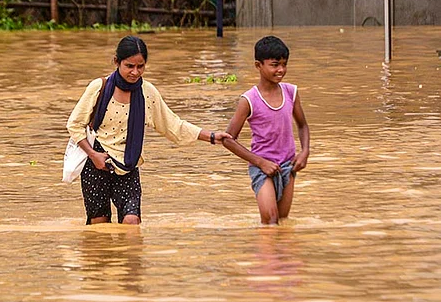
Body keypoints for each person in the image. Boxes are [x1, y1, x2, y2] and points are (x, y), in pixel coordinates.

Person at [67, 35, 231, 225]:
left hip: (128, 165)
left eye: (140, 66)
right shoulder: (99, 87)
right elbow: (75, 124)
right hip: (96, 165)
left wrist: (210, 136)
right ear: (116, 62)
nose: (135, 72)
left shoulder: (148, 93)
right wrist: (93, 155)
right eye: (129, 66)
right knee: (100, 227)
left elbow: (173, 125)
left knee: (131, 222)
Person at [222, 36, 310, 225]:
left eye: (284, 64)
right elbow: (228, 139)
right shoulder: (249, 100)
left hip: (288, 165)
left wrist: (304, 152)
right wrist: (260, 162)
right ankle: (266, 254)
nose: (281, 70)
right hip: (262, 168)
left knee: (283, 221)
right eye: (275, 65)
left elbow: (302, 125)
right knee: (270, 220)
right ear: (258, 65)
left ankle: (282, 254)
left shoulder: (291, 92)